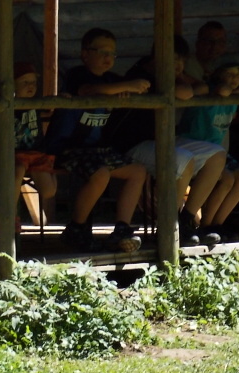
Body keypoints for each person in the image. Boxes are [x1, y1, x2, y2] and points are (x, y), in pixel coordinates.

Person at [106, 35, 226, 247]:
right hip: (132, 144)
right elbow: (185, 93)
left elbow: (201, 88)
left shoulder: (170, 74)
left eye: (182, 61)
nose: (178, 65)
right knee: (184, 159)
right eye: (174, 59)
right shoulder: (143, 75)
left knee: (216, 154)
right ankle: (169, 226)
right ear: (158, 57)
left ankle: (186, 219)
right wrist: (184, 81)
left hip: (161, 138)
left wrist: (182, 77)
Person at [44, 28, 149, 253]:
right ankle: (77, 228)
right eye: (102, 51)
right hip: (68, 148)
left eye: (112, 53)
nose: (108, 57)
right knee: (100, 174)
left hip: (97, 150)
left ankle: (122, 228)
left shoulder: (112, 80)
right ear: (85, 54)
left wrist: (126, 90)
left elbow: (125, 90)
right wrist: (124, 87)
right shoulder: (76, 75)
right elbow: (88, 90)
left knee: (137, 171)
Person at [179, 61, 239, 241]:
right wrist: (231, 90)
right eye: (229, 74)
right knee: (227, 179)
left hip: (217, 152)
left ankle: (218, 224)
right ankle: (206, 225)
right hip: (196, 149)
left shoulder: (236, 94)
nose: (234, 78)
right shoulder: (209, 89)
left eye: (238, 75)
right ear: (218, 74)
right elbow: (223, 91)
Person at [2, 61, 57, 229]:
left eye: (33, 82)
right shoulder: (7, 104)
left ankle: (50, 171)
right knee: (17, 170)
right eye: (25, 82)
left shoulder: (37, 103)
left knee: (48, 191)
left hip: (37, 154)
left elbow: (51, 105)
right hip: (16, 154)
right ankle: (9, 216)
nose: (30, 86)